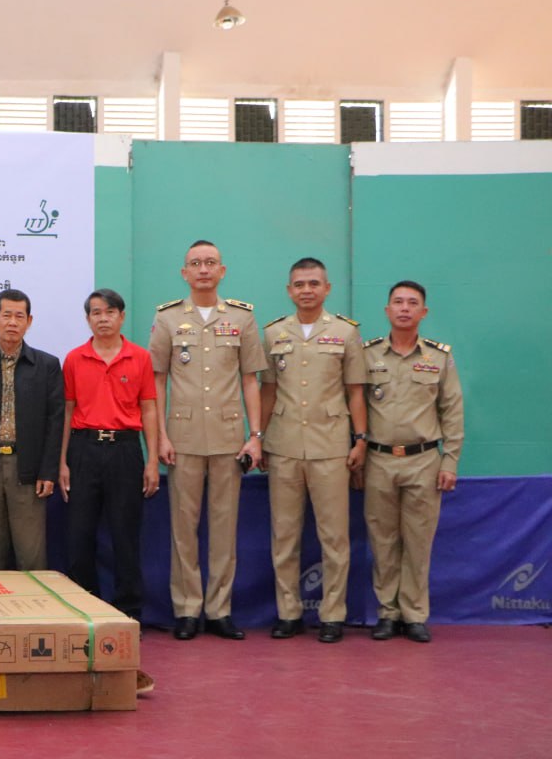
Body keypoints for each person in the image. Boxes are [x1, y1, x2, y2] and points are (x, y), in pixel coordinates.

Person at [149, 241, 267, 641]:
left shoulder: (241, 318)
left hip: (228, 438)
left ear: (222, 270)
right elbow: (157, 381)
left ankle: (219, 610)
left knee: (224, 528)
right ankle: (187, 608)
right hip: (181, 439)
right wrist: (161, 435)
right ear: (184, 273)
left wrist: (255, 437)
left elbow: (250, 380)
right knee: (183, 529)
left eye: (210, 263)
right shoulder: (167, 318)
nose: (203, 269)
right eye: (196, 263)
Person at [260, 258, 367, 643]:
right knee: (284, 535)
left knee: (334, 537)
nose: (306, 290)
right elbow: (268, 390)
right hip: (284, 445)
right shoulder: (273, 333)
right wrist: (258, 437)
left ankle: (333, 614)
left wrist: (360, 439)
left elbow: (356, 392)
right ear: (289, 290)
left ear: (327, 288)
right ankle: (288, 613)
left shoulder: (345, 332)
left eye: (314, 283)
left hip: (330, 446)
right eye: (300, 284)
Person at [359, 281, 463, 643]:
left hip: (423, 461)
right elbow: (353, 408)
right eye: (398, 302)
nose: (404, 308)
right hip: (379, 460)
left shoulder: (439, 357)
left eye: (412, 303)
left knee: (419, 542)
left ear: (423, 312)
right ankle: (387, 613)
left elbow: (452, 411)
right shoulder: (367, 355)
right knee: (383, 541)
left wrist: (450, 461)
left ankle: (415, 614)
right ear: (387, 310)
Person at [59, 288, 160, 617]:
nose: (103, 319)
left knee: (125, 536)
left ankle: (129, 613)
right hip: (83, 450)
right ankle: (85, 611)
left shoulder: (140, 357)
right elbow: (67, 411)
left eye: (110, 312)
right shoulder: (74, 359)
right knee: (79, 537)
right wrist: (62, 462)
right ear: (88, 319)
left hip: (125, 451)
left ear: (122, 316)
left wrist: (152, 460)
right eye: (96, 313)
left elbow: (149, 409)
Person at [0, 289, 64, 571]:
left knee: (31, 555)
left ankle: (33, 601)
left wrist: (48, 472)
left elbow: (55, 422)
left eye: (20, 316)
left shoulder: (47, 365)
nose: (13, 322)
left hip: (27, 470)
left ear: (29, 321)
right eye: (6, 315)